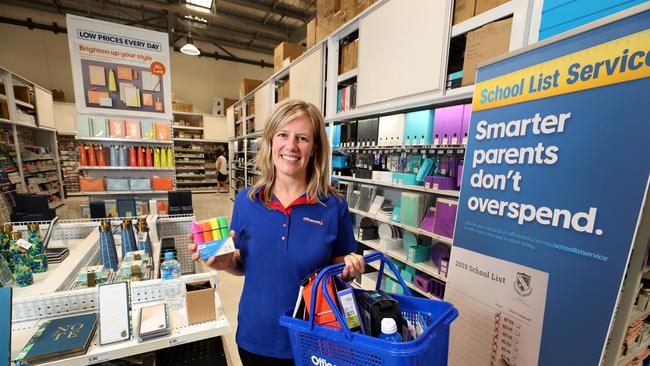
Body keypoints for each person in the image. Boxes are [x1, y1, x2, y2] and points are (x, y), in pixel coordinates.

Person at [188, 99, 364, 365]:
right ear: (271, 140)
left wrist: (351, 271)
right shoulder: (247, 201)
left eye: (302, 138)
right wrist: (226, 263)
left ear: (314, 147)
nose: (291, 146)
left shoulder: (333, 206)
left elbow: (338, 270)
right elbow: (242, 264)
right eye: (283, 134)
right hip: (256, 339)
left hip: (314, 340)